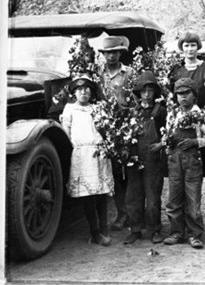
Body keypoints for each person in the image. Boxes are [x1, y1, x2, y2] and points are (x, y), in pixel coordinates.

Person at [61, 75, 115, 246]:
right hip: (81, 154)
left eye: (87, 89)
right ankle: (95, 232)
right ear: (74, 93)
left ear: (91, 92)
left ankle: (104, 228)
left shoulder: (97, 108)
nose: (83, 92)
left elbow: (106, 129)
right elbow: (66, 133)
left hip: (99, 152)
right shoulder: (70, 109)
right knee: (88, 194)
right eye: (79, 90)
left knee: (101, 192)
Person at [163, 77, 205, 249]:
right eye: (179, 94)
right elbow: (167, 134)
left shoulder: (200, 114)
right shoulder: (172, 113)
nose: (183, 97)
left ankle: (195, 234)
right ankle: (177, 232)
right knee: (174, 198)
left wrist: (195, 142)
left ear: (194, 95)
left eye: (187, 93)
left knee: (193, 200)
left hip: (192, 160)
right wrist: (167, 144)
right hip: (175, 160)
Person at [123, 71, 167, 245]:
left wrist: (161, 145)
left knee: (153, 197)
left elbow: (169, 133)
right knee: (133, 196)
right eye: (144, 91)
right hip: (135, 158)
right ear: (139, 93)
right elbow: (126, 134)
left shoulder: (161, 111)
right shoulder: (133, 112)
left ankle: (155, 230)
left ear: (155, 92)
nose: (147, 94)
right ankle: (135, 230)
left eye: (150, 90)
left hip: (153, 159)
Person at [97, 35, 136, 232]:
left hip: (126, 126)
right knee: (113, 172)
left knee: (129, 171)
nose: (111, 56)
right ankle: (122, 213)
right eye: (107, 52)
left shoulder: (129, 73)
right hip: (105, 127)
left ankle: (132, 212)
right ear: (103, 54)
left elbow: (136, 99)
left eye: (114, 52)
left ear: (120, 53)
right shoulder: (97, 74)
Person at [169, 33, 205, 108]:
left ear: (198, 46)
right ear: (182, 48)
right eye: (186, 46)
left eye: (193, 45)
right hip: (181, 113)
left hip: (203, 111)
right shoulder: (175, 69)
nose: (190, 49)